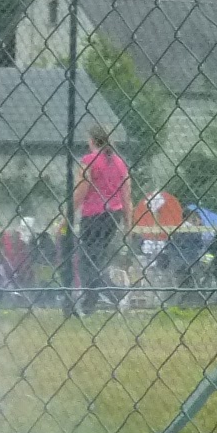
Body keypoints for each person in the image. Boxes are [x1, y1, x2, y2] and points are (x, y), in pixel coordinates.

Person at [73, 124, 130, 313]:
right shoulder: (120, 162)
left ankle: (111, 295)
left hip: (93, 214)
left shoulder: (89, 160)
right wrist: (128, 223)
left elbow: (81, 191)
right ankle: (92, 303)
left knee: (86, 260)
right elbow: (126, 196)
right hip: (113, 215)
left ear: (91, 140)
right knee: (96, 259)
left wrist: (68, 214)